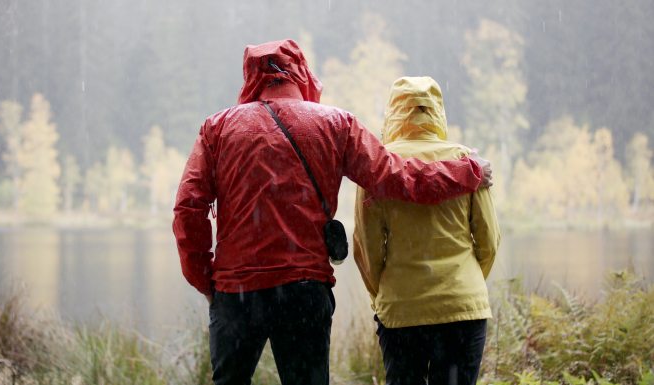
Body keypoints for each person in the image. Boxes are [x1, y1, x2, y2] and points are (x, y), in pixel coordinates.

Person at [173, 41, 492, 385]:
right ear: (301, 72)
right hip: (304, 291)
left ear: (250, 77)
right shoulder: (336, 124)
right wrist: (466, 172)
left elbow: (188, 209)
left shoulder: (217, 129)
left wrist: (205, 280)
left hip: (236, 293)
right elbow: (395, 177)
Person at [353, 76, 501, 385]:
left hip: (402, 307)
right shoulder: (467, 161)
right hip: (463, 306)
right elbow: (488, 239)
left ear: (393, 112)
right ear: (438, 111)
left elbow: (367, 248)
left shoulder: (378, 165)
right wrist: (465, 281)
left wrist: (383, 294)